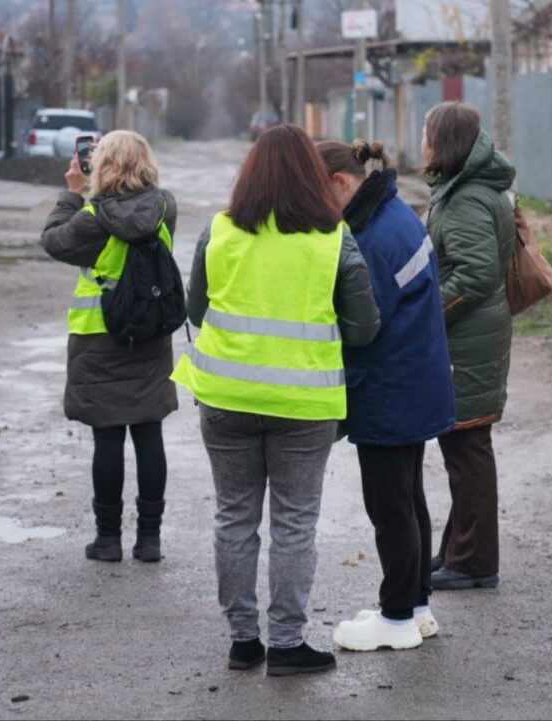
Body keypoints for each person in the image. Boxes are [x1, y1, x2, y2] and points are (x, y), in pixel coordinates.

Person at [178, 125, 380, 676]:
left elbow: (195, 311)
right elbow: (364, 327)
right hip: (303, 403)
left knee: (234, 517)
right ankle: (288, 644)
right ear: (312, 176)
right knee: (294, 524)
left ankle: (243, 641)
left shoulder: (219, 230)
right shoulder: (333, 238)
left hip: (226, 397)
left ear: (250, 174)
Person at [316, 140, 455, 652]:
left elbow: (362, 323)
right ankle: (416, 608)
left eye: (316, 193)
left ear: (340, 183)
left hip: (390, 387)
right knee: (408, 498)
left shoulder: (371, 238)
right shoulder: (393, 213)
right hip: (413, 380)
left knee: (390, 506)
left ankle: (395, 617)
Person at [40, 130, 178, 564]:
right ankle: (150, 539)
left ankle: (108, 539)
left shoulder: (92, 219)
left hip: (100, 338)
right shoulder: (164, 208)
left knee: (108, 436)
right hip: (150, 335)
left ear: (99, 165)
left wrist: (72, 193)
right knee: (149, 431)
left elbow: (53, 240)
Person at [421, 102, 517, 591]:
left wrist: (423, 315)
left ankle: (475, 561)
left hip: (468, 340)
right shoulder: (465, 190)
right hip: (472, 335)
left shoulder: (466, 199)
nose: (421, 143)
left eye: (426, 134)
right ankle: (459, 549)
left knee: (468, 449)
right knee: (463, 447)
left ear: (443, 143)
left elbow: (475, 274)